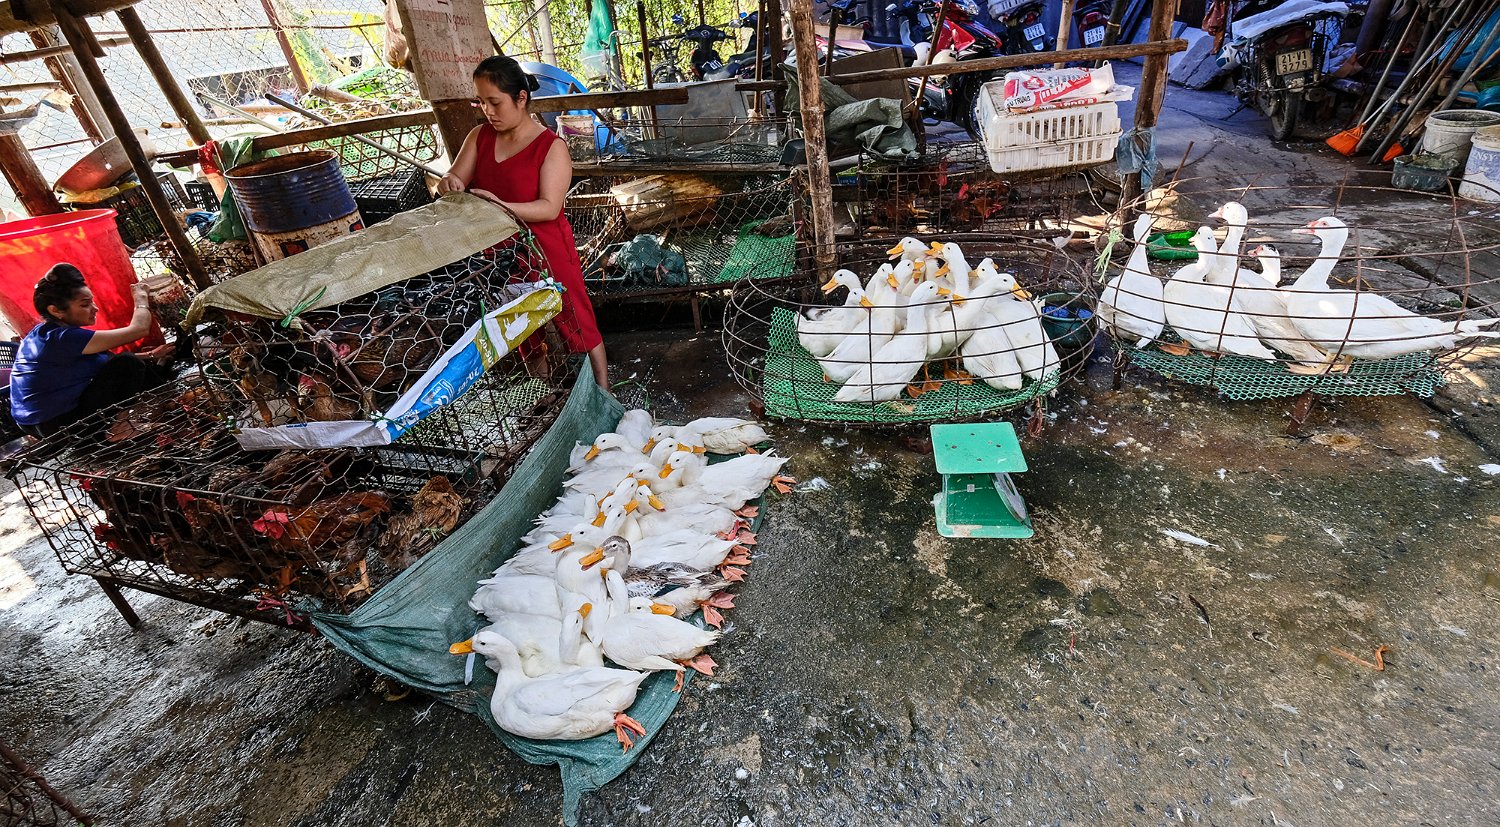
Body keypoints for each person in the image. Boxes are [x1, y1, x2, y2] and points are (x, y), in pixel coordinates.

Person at [436, 55, 611, 392]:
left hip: (547, 248)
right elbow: (454, 177)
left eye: (495, 102)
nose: (488, 111)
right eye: (481, 102)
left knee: (575, 316)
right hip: (503, 253)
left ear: (521, 98)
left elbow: (549, 208)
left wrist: (500, 206)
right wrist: (450, 182)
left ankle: (604, 389)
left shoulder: (551, 147)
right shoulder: (479, 137)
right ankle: (543, 390)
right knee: (522, 326)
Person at [9, 263, 173, 438]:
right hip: (58, 426)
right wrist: (141, 298)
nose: (95, 308)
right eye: (85, 304)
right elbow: (139, 330)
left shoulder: (44, 333)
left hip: (34, 424)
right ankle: (120, 429)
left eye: (92, 301)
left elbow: (104, 360)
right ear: (55, 310)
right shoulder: (63, 338)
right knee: (128, 363)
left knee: (132, 364)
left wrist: (151, 355)